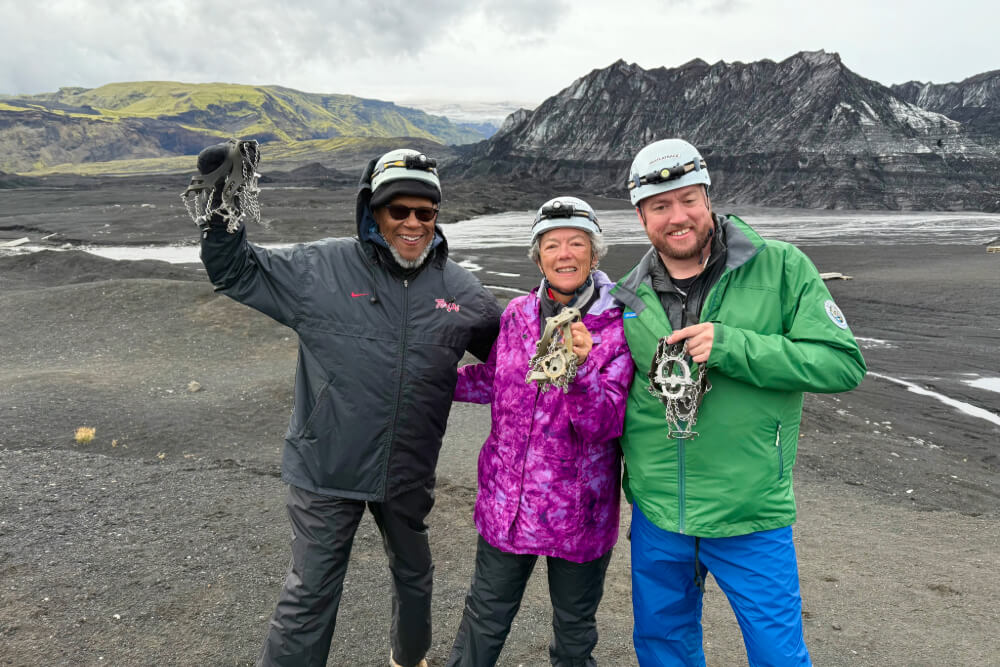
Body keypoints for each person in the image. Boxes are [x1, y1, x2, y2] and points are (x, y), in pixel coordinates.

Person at [195, 145, 501, 667]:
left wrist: (580, 328)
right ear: (372, 210)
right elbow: (235, 272)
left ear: (436, 217)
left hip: (407, 470)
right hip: (325, 466)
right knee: (310, 594)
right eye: (397, 210)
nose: (411, 223)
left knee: (415, 579)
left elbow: (515, 362)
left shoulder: (461, 291)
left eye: (424, 212)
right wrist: (222, 207)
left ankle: (409, 659)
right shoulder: (322, 268)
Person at [612, 138, 867, 666]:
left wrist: (733, 347)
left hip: (749, 513)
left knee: (778, 656)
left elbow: (843, 364)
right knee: (663, 651)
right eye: (660, 206)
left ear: (708, 197)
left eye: (688, 199)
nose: (677, 217)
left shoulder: (781, 267)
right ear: (641, 216)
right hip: (660, 516)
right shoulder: (627, 296)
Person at [446, 196, 634, 667]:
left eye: (577, 243)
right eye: (552, 244)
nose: (565, 254)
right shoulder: (517, 315)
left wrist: (580, 369)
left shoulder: (619, 324)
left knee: (573, 634)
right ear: (538, 255)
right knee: (483, 618)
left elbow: (604, 424)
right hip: (506, 507)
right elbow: (497, 380)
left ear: (595, 254)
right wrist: (428, 382)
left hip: (579, 517)